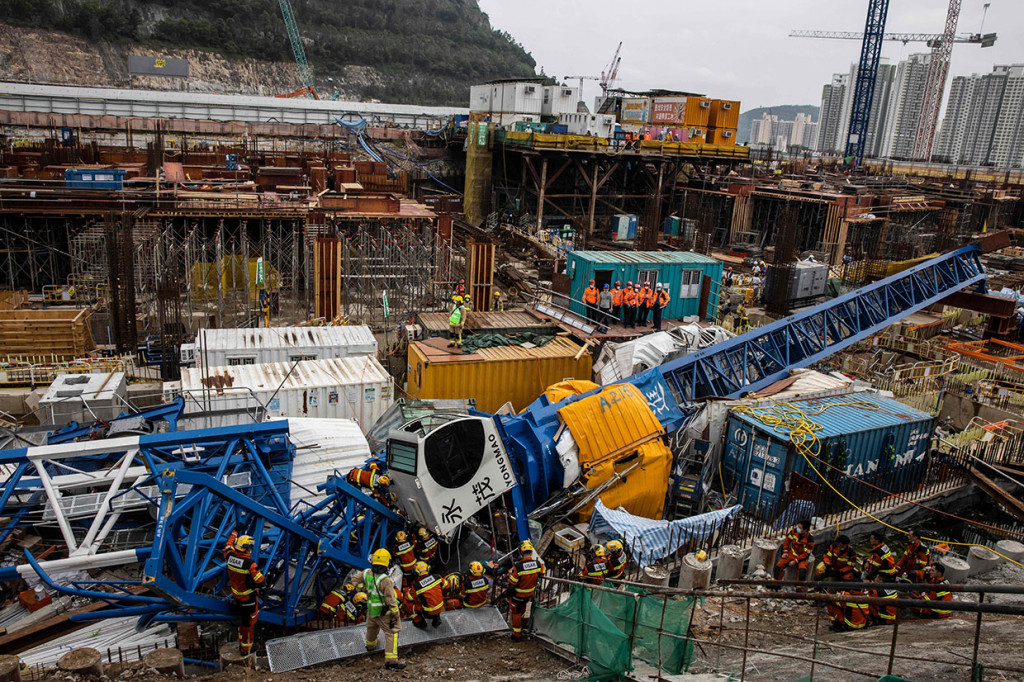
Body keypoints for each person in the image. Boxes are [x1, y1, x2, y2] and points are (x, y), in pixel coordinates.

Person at [357, 548, 405, 670]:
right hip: (384, 612)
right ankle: (391, 661)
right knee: (392, 633)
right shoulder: (386, 580)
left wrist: (363, 588)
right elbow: (390, 599)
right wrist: (395, 614)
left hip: (371, 609)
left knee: (371, 628)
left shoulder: (367, 573)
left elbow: (354, 580)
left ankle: (370, 646)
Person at [223, 531, 265, 656]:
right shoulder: (249, 564)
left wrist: (234, 532)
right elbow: (260, 581)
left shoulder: (229, 556)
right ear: (246, 549)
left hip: (237, 596)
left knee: (243, 623)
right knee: (248, 624)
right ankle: (246, 649)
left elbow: (228, 545)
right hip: (248, 599)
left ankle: (243, 644)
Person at [507, 540, 545, 641]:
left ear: (521, 551)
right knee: (522, 611)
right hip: (529, 595)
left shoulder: (518, 567)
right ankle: (522, 627)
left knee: (516, 613)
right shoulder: (537, 564)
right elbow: (542, 573)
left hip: (518, 595)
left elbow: (512, 584)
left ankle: (517, 635)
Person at [411, 561, 445, 629]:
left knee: (409, 604)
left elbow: (410, 598)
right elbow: (447, 585)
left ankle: (420, 622)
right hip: (441, 607)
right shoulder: (437, 577)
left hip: (428, 612)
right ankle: (436, 617)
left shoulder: (416, 586)